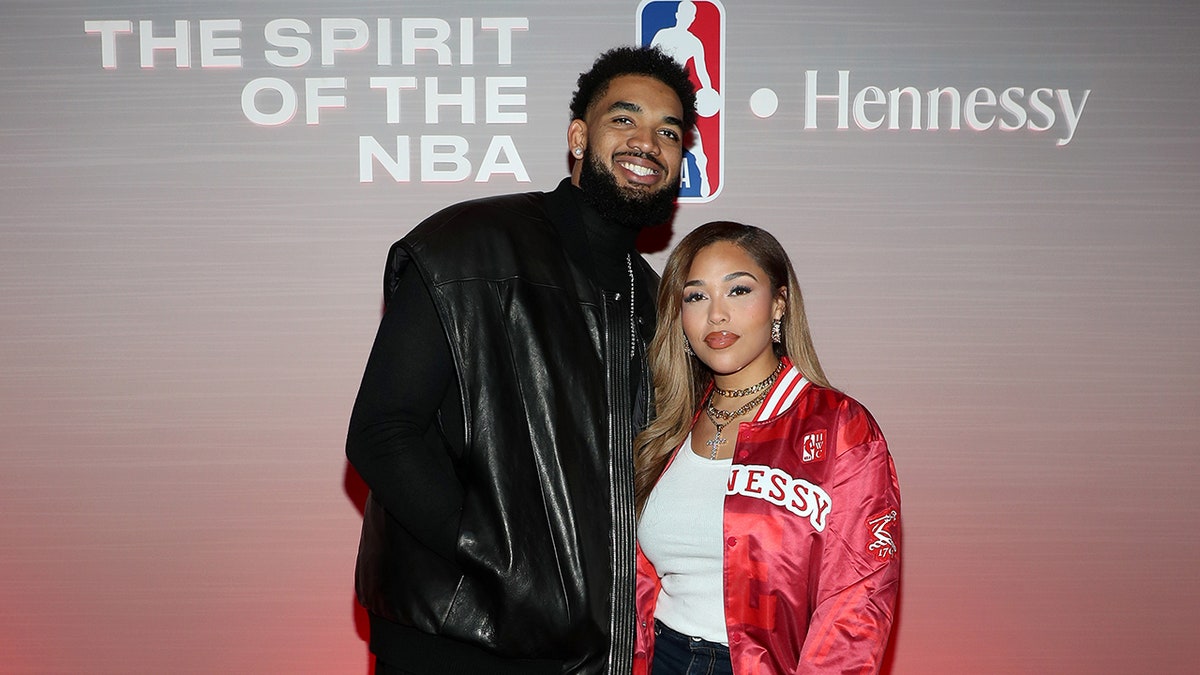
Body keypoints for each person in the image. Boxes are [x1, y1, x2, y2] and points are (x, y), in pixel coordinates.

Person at [346, 45, 697, 675]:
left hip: (588, 651)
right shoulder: (465, 247)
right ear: (578, 136)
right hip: (453, 636)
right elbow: (382, 433)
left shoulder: (660, 303)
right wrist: (501, 562)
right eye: (625, 119)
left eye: (667, 132)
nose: (646, 142)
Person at [631, 222, 901, 674]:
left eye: (737, 291)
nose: (717, 314)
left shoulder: (840, 426)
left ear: (779, 302)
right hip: (659, 659)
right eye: (696, 296)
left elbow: (858, 600)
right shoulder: (664, 423)